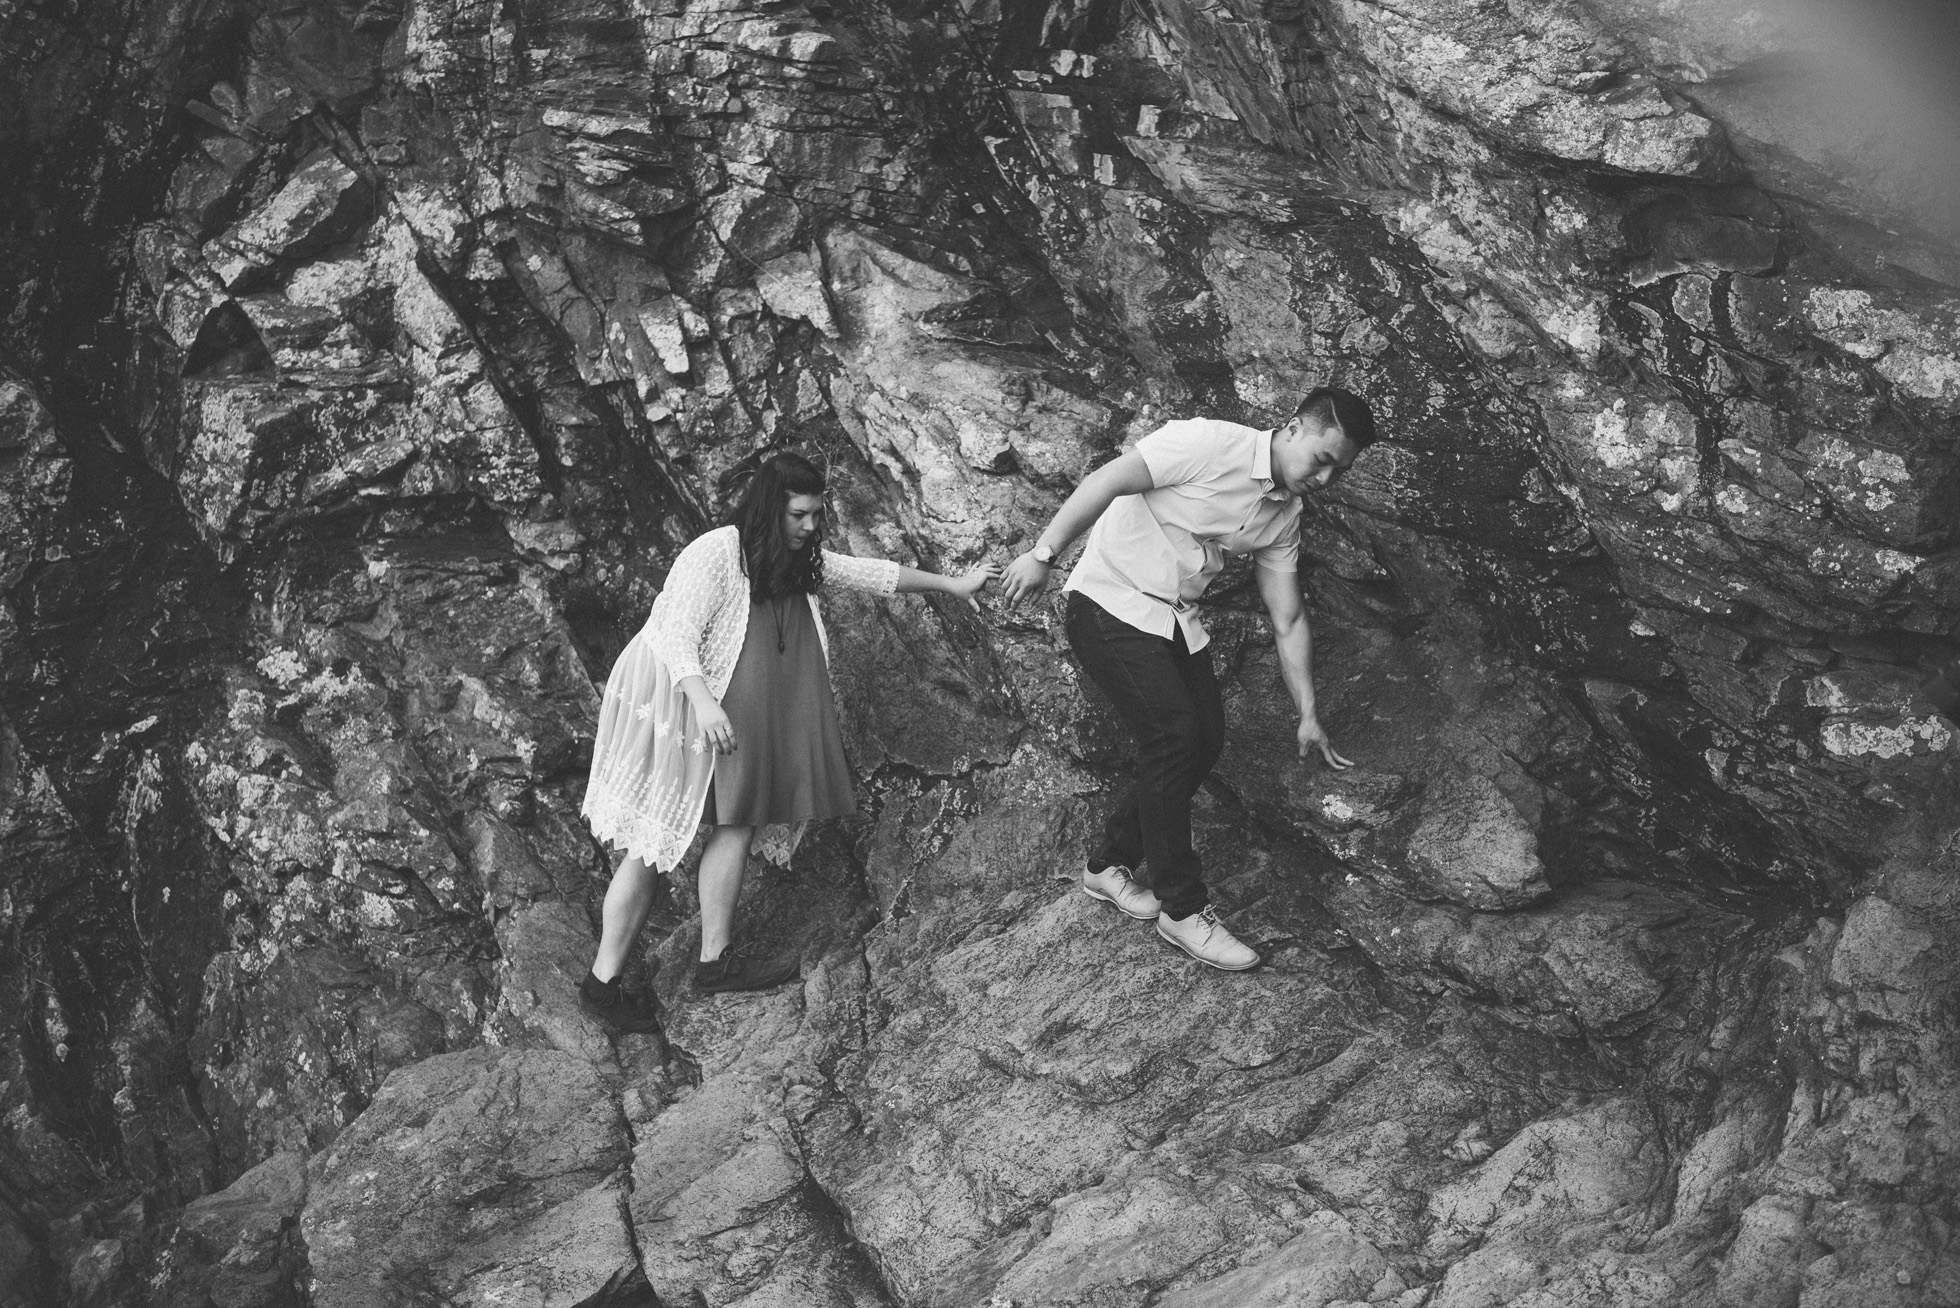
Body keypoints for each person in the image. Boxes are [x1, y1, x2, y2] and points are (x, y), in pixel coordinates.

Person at [577, 452, 996, 1033]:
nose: (809, 526)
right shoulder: (717, 551)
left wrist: (951, 585)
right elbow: (676, 635)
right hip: (677, 698)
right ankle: (601, 985)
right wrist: (705, 704)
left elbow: (871, 574)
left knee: (737, 820)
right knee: (651, 842)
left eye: (816, 515)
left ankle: (715, 960)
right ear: (770, 510)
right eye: (799, 515)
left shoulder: (794, 559)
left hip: (724, 709)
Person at [1000, 387, 1377, 971]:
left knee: (1204, 742)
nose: (1325, 479)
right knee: (1173, 735)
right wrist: (1043, 554)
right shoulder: (1208, 442)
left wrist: (1308, 712)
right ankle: (1182, 908)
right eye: (1322, 460)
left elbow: (1288, 617)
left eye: (1339, 471)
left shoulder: (1284, 515)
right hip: (1109, 599)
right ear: (1293, 428)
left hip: (1174, 621)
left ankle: (1107, 865)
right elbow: (1108, 479)